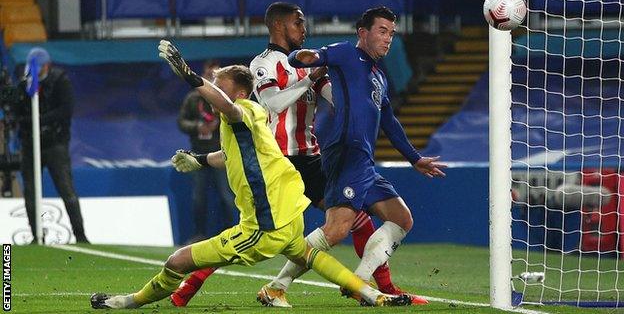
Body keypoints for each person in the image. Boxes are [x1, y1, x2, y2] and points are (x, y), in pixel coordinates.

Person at [89, 42, 412, 309]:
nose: (216, 90)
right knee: (309, 255)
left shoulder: (242, 111)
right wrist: (200, 160)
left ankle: (129, 302)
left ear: (240, 94)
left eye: (221, 86)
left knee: (177, 261)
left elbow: (228, 107)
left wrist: (191, 77)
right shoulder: (248, 122)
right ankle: (372, 294)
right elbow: (229, 155)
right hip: (288, 213)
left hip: (264, 224)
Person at [169, 2, 424, 308]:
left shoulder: (310, 63)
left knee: (353, 220)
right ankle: (191, 286)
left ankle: (380, 286)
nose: (304, 30)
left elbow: (337, 98)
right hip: (277, 161)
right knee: (252, 238)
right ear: (279, 26)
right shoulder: (262, 64)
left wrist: (358, 97)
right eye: (298, 24)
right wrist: (309, 79)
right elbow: (274, 104)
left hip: (310, 157)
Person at [277, 6, 448, 302]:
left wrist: (414, 158)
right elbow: (303, 58)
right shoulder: (345, 53)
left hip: (363, 161)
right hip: (345, 153)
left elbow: (389, 122)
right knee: (335, 230)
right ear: (363, 33)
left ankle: (359, 281)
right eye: (382, 31)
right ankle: (277, 286)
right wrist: (301, 58)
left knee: (401, 218)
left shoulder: (379, 76)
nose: (388, 39)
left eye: (391, 34)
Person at [16, 47, 88, 244]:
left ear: (47, 65)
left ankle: (80, 235)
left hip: (55, 145)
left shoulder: (60, 81)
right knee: (30, 191)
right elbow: (18, 114)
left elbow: (65, 110)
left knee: (66, 189)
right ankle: (36, 236)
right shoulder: (25, 85)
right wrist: (28, 121)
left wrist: (39, 119)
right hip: (30, 146)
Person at [177, 60, 236, 241]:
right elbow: (181, 121)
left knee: (228, 197)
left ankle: (232, 235)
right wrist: (197, 127)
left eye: (215, 74)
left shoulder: (226, 100)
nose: (211, 76)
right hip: (199, 154)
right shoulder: (193, 98)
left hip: (221, 154)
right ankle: (199, 234)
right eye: (209, 73)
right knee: (198, 198)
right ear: (203, 74)